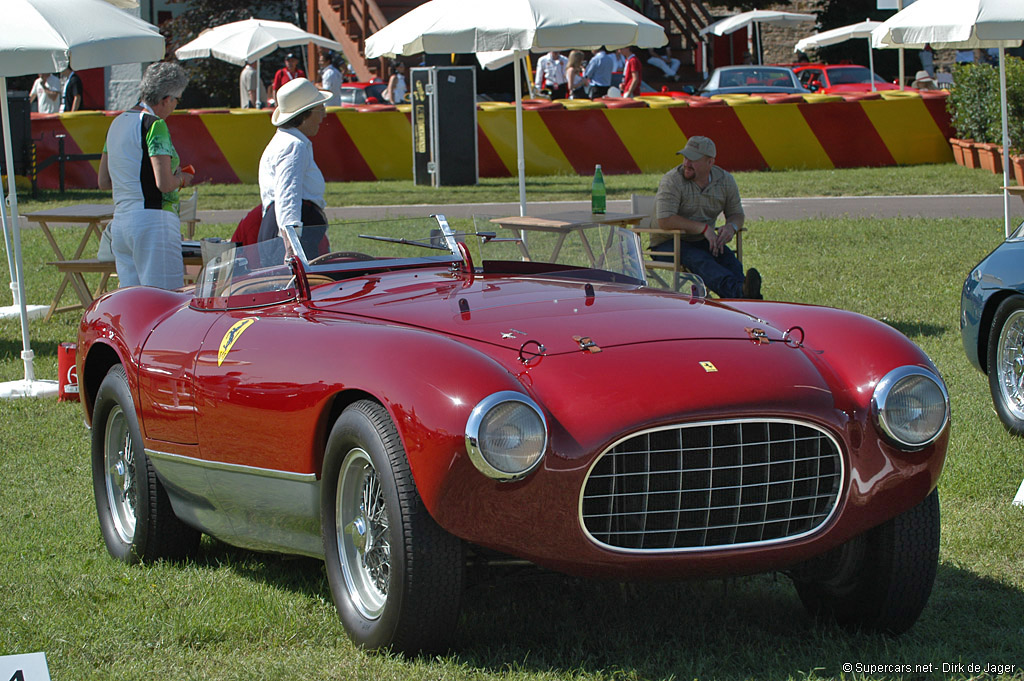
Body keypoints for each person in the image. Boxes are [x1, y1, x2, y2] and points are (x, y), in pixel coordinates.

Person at [97, 62, 193, 290]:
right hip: (153, 222)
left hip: (121, 223)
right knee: (165, 303)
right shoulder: (155, 125)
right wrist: (182, 179)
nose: (175, 106)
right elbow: (164, 184)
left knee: (134, 306)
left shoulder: (116, 123)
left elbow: (103, 181)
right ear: (166, 99)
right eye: (177, 100)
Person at [653, 136, 761, 299]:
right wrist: (703, 229)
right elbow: (665, 220)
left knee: (728, 259)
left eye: (693, 160)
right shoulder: (672, 180)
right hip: (668, 242)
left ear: (710, 162)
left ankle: (746, 293)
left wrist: (731, 227)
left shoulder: (725, 180)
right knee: (701, 259)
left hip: (703, 239)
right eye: (685, 157)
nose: (686, 164)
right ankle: (741, 295)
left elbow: (737, 214)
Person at [258, 78, 332, 258]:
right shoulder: (293, 146)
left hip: (290, 232)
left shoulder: (289, 142)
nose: (324, 114)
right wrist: (291, 245)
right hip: (291, 236)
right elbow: (287, 194)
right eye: (319, 108)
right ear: (305, 115)